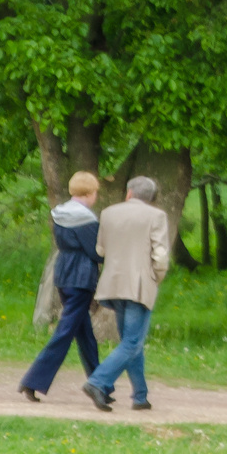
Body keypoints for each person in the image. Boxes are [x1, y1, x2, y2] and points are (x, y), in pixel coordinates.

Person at [81, 176, 171, 412]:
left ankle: (140, 396)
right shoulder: (157, 217)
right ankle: (97, 382)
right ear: (150, 197)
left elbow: (100, 248)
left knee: (131, 342)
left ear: (129, 193)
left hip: (112, 283)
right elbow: (160, 257)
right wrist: (155, 279)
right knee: (132, 342)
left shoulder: (109, 213)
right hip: (139, 285)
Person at [18, 171, 104, 400]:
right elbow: (96, 251)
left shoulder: (60, 213)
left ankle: (100, 383)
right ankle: (32, 380)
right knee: (65, 332)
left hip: (64, 272)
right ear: (89, 192)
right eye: (95, 192)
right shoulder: (86, 218)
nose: (96, 196)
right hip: (81, 276)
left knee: (84, 332)